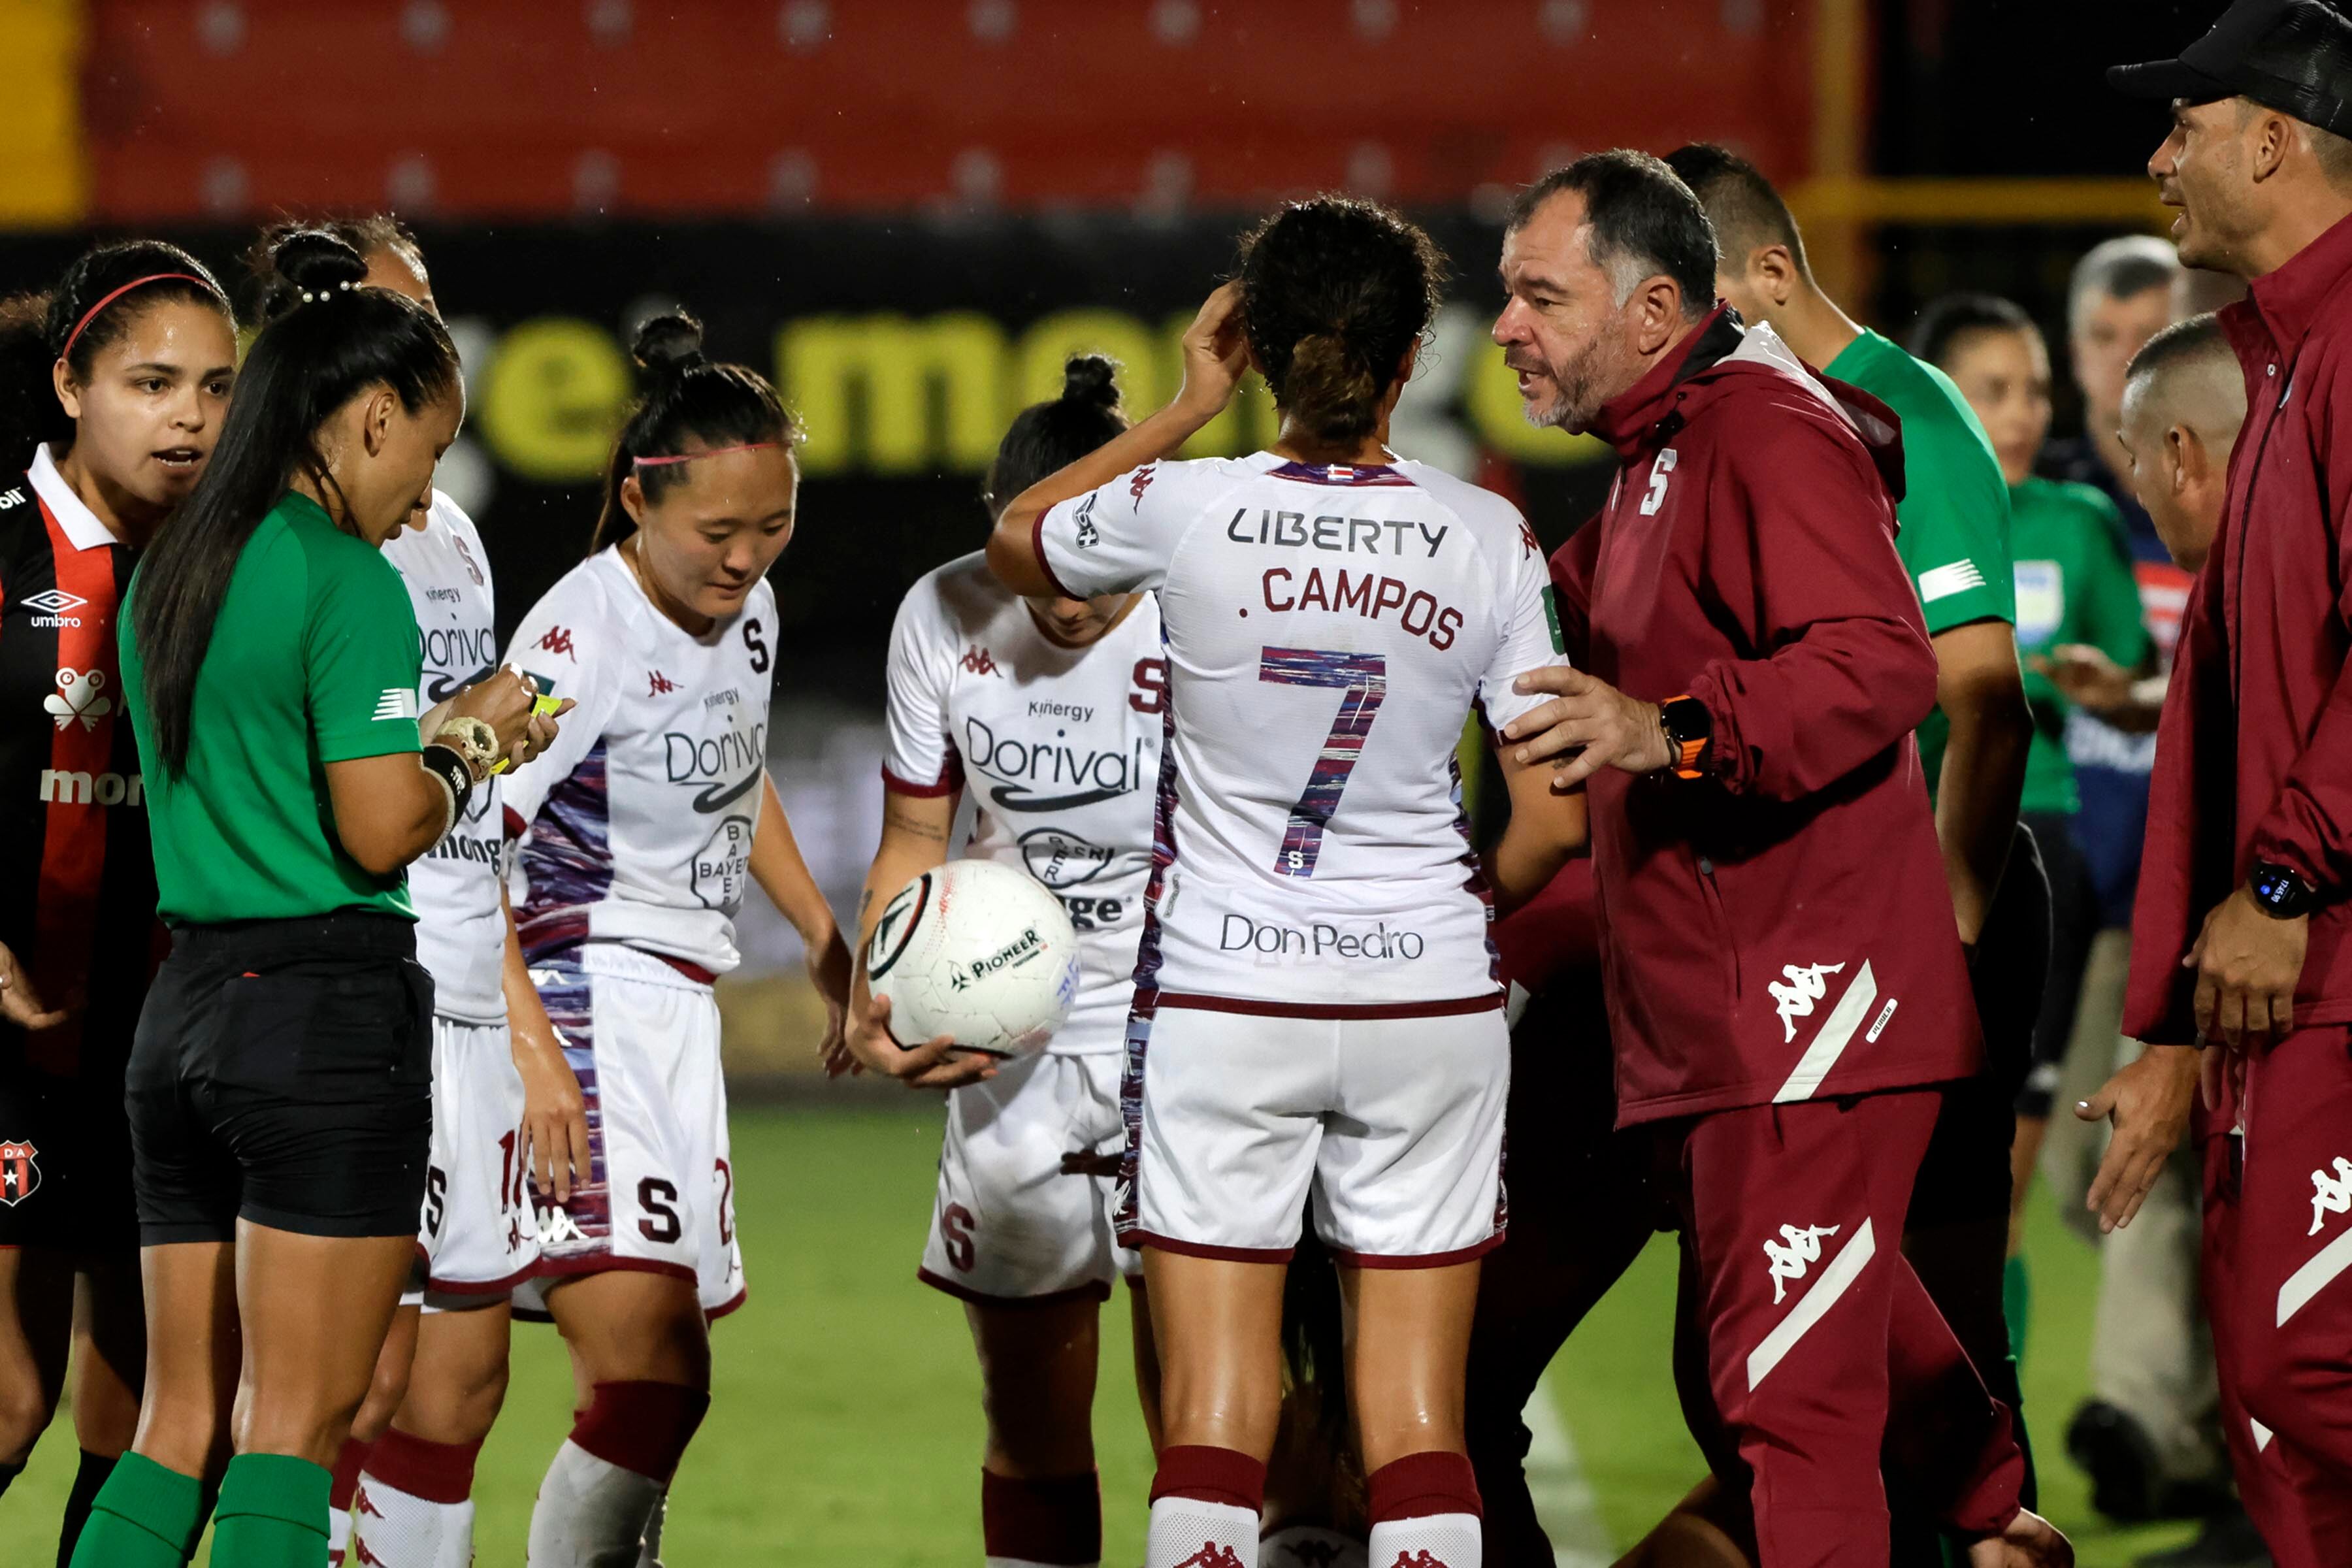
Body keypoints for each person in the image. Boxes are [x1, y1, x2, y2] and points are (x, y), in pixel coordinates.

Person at [987, 195, 1594, 1568]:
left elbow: (1019, 540)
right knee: (1423, 1429)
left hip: (1226, 995)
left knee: (1211, 1427)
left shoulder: (1188, 509)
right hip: (1427, 1003)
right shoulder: (1487, 535)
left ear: (1256, 343)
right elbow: (1554, 816)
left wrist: (1187, 406)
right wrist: (1450, 918)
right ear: (1412, 356)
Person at [1497, 150, 2056, 1566]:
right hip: (1714, 1013)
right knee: (1835, 1327)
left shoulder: (1761, 429)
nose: (1506, 327)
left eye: (1539, 297)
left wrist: (1669, 728)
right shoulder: (1647, 463)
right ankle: (1994, 1517)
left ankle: (1983, 1509)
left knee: (1781, 1400)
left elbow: (1882, 666)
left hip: (1801, 1003)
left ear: (1652, 306)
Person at [69, 228, 539, 1568]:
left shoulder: (173, 566)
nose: (425, 491)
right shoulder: (348, 579)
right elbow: (382, 828)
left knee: (175, 1424)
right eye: (428, 452)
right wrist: (478, 741)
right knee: (292, 1432)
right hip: (322, 1019)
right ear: (372, 417)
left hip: (185, 1017)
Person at [1662, 141, 2040, 1518]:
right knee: (1778, 1328)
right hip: (1822, 928)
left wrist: (1945, 923)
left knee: (1928, 1323)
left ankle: (2000, 1534)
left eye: (1691, 304)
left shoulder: (1898, 414)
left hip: (1943, 896)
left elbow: (1986, 702)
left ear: (1766, 275)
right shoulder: (1742, 428)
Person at [227, 216, 589, 1568]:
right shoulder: (280, 541)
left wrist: (529, 1028)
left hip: (460, 981)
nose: (418, 350)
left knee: (458, 1384)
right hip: (350, 979)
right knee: (341, 1385)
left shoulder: (452, 540)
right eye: (388, 322)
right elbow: (369, 798)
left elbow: (469, 815)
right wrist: (470, 733)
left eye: (427, 318)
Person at [500, 310, 853, 1566]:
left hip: (674, 1007)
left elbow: (736, 773)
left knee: (668, 1383)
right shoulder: (580, 633)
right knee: (649, 1377)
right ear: (643, 506)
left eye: (774, 527)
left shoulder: (740, 615)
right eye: (719, 533)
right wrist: (530, 1045)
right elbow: (468, 832)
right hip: (581, 991)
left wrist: (819, 931)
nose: (748, 559)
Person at [839, 354, 1163, 1568]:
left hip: (1188, 1034)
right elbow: (917, 835)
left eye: (1097, 566)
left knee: (1204, 1405)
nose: (1067, 600)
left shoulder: (1211, 606)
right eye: (1041, 568)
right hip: (1011, 1042)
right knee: (1030, 1417)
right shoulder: (944, 612)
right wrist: (881, 987)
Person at [2111, 1, 2352, 1558]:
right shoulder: (2274, 365)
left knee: (2312, 1378)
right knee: (2278, 1413)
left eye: (2184, 128)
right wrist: (2184, 1030)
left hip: (2328, 960)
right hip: (2277, 994)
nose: (2159, 160)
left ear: (2271, 138)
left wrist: (2282, 884)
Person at [0, 241, 236, 1563]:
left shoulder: (229, 569)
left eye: (213, 387)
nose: (190, 418)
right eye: (152, 383)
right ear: (71, 383)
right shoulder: (0, 552)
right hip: (10, 1053)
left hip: (165, 1056)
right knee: (8, 1400)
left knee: (168, 1426)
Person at [1910, 291, 2153, 1255]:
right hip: (1908, 837)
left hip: (2039, 839)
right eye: (1994, 391)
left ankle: (1986, 1392)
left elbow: (2136, 672)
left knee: (2000, 1172)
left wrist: (2111, 685)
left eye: (2036, 391)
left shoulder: (2077, 520)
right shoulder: (1884, 512)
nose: (2021, 415)